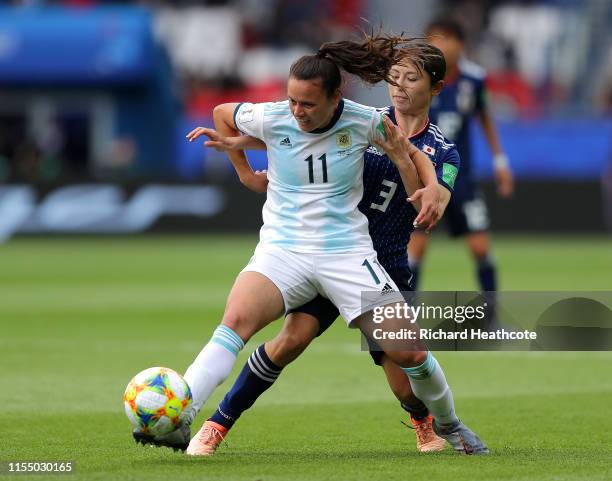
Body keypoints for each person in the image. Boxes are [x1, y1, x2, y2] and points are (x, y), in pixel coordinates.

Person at [134, 32, 486, 456]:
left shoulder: (426, 144)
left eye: (410, 79)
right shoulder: (358, 116)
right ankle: (207, 421)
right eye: (394, 77)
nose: (399, 86)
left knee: (405, 361)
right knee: (288, 340)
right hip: (303, 250)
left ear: (434, 88)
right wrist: (244, 159)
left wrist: (431, 191)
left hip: (375, 259)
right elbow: (292, 136)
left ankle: (436, 422)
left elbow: (424, 173)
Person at [408, 17, 514, 296]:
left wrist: (499, 160)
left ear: (460, 44)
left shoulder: (475, 80)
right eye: (432, 41)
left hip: (461, 178)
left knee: (480, 247)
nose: (438, 48)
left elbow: (485, 118)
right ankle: (405, 320)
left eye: (444, 40)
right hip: (422, 177)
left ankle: (492, 317)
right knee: (414, 249)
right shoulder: (418, 77)